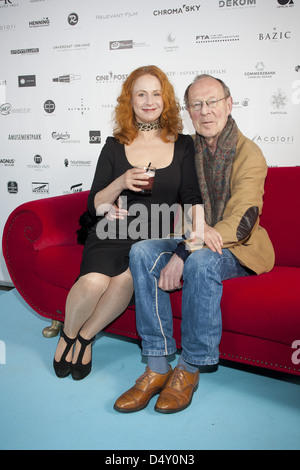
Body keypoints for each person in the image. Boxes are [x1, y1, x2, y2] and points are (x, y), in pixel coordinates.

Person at [114, 74, 275, 414]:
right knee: (142, 251)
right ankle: (158, 365)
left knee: (201, 262)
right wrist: (190, 240)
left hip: (237, 245)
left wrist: (193, 246)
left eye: (212, 102)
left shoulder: (249, 153)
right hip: (196, 236)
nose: (205, 111)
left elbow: (244, 218)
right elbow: (185, 203)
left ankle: (189, 368)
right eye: (197, 104)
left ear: (228, 105)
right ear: (188, 110)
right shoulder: (188, 148)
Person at [53, 65, 202, 381]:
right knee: (94, 282)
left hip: (151, 237)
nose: (149, 101)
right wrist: (120, 181)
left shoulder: (183, 144)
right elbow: (95, 204)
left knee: (124, 281)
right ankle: (67, 335)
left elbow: (191, 197)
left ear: (166, 99)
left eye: (156, 93)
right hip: (112, 229)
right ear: (130, 101)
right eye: (141, 94)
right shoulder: (115, 144)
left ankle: (85, 337)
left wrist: (193, 239)